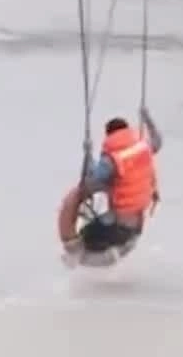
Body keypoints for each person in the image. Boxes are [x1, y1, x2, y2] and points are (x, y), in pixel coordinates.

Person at [58, 108, 162, 262]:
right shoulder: (143, 148)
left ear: (109, 135)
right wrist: (146, 117)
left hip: (118, 225)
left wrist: (88, 153)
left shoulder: (112, 160)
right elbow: (157, 140)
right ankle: (112, 253)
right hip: (138, 223)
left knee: (87, 233)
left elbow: (92, 179)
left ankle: (83, 257)